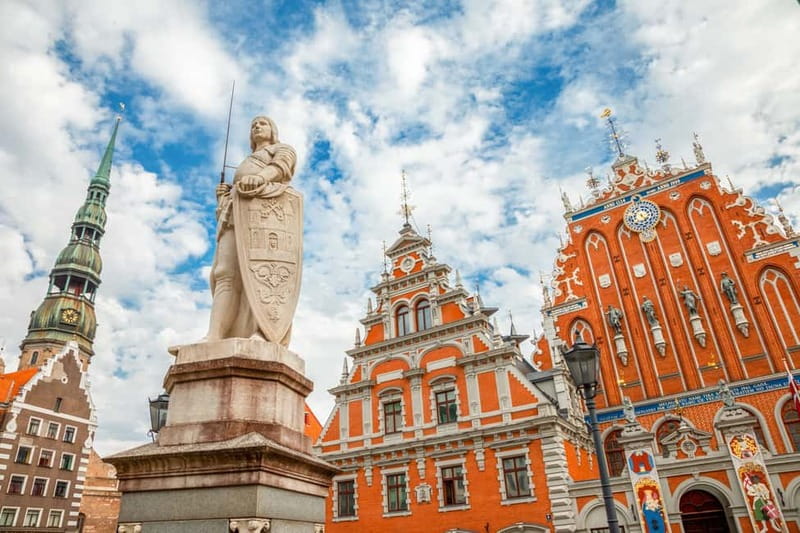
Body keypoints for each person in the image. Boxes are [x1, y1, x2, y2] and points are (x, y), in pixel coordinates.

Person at [206, 116, 297, 343]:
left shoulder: (282, 149)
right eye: (253, 125)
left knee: (262, 275)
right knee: (224, 273)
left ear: (272, 130)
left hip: (265, 213)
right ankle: (214, 335)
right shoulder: (249, 158)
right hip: (236, 209)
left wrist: (258, 178)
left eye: (262, 123)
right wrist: (223, 198)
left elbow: (280, 168)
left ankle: (264, 332)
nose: (257, 126)